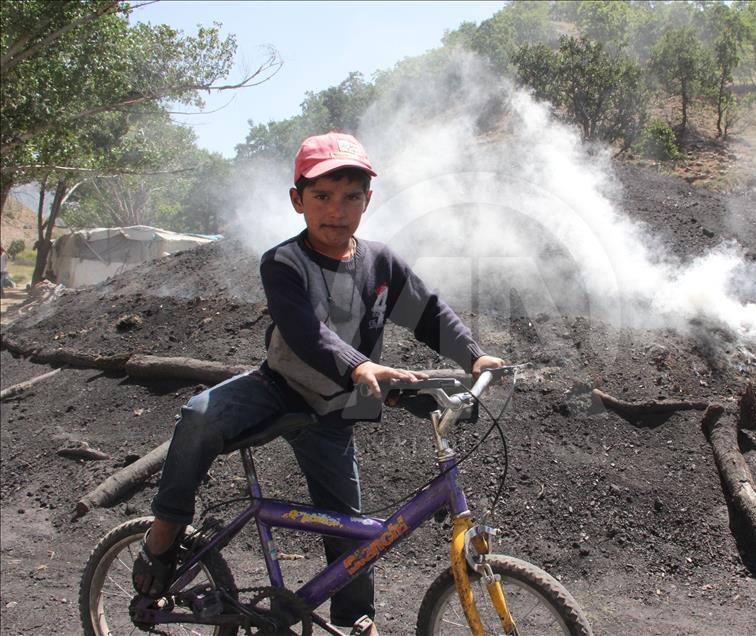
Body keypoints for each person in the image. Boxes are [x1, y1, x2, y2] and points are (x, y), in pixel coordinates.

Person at [131, 131, 504, 630]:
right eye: (322, 197)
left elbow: (429, 313)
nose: (338, 210)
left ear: (367, 201)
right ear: (297, 201)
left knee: (351, 531)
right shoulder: (284, 263)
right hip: (278, 389)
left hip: (332, 412)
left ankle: (355, 623)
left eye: (352, 197)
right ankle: (163, 540)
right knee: (199, 416)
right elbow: (304, 331)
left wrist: (475, 356)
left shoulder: (380, 261)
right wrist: (359, 365)